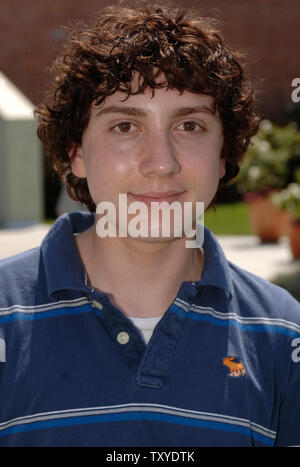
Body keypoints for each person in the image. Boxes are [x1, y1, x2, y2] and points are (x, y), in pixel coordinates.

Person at [0, 1, 299, 448]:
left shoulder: (283, 335)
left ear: (223, 154)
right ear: (75, 152)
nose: (161, 163)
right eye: (125, 126)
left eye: (190, 126)